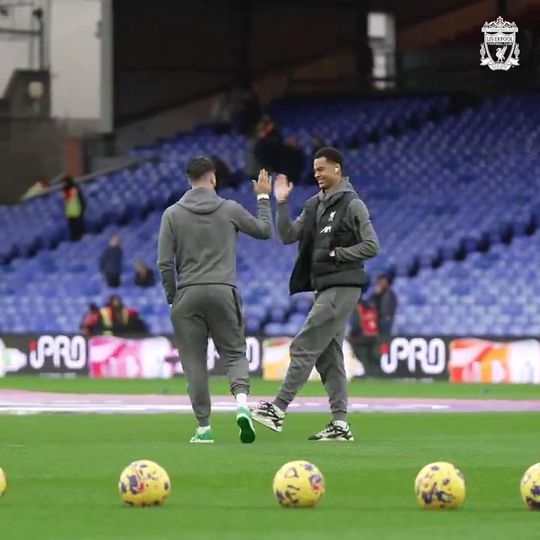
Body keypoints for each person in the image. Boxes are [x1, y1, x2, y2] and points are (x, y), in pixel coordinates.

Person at [251, 146, 379, 441]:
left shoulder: (352, 204)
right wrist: (281, 202)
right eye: (314, 170)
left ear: (337, 169)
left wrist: (339, 253)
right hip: (324, 289)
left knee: (304, 344)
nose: (317, 174)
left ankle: (278, 409)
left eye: (322, 169)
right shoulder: (314, 205)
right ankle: (340, 424)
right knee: (328, 357)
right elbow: (287, 236)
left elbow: (372, 245)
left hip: (343, 287)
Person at [157, 156, 273, 444]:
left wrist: (174, 298)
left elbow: (163, 263)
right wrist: (262, 196)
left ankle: (203, 428)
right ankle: (242, 405)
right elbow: (264, 230)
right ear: (213, 178)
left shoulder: (172, 214)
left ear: (189, 180)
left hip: (188, 294)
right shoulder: (229, 209)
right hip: (223, 290)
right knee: (234, 353)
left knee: (194, 363)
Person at [348, 298, 379, 377]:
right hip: (374, 335)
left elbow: (356, 324)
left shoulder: (357, 309)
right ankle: (374, 375)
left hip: (362, 337)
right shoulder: (371, 307)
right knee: (372, 357)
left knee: (361, 357)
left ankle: (363, 374)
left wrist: (351, 337)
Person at [62, 176, 85, 241]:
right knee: (73, 231)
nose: (63, 184)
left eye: (64, 183)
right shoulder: (65, 191)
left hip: (76, 212)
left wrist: (82, 209)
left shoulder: (74, 189)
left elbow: (81, 200)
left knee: (78, 230)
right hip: (70, 213)